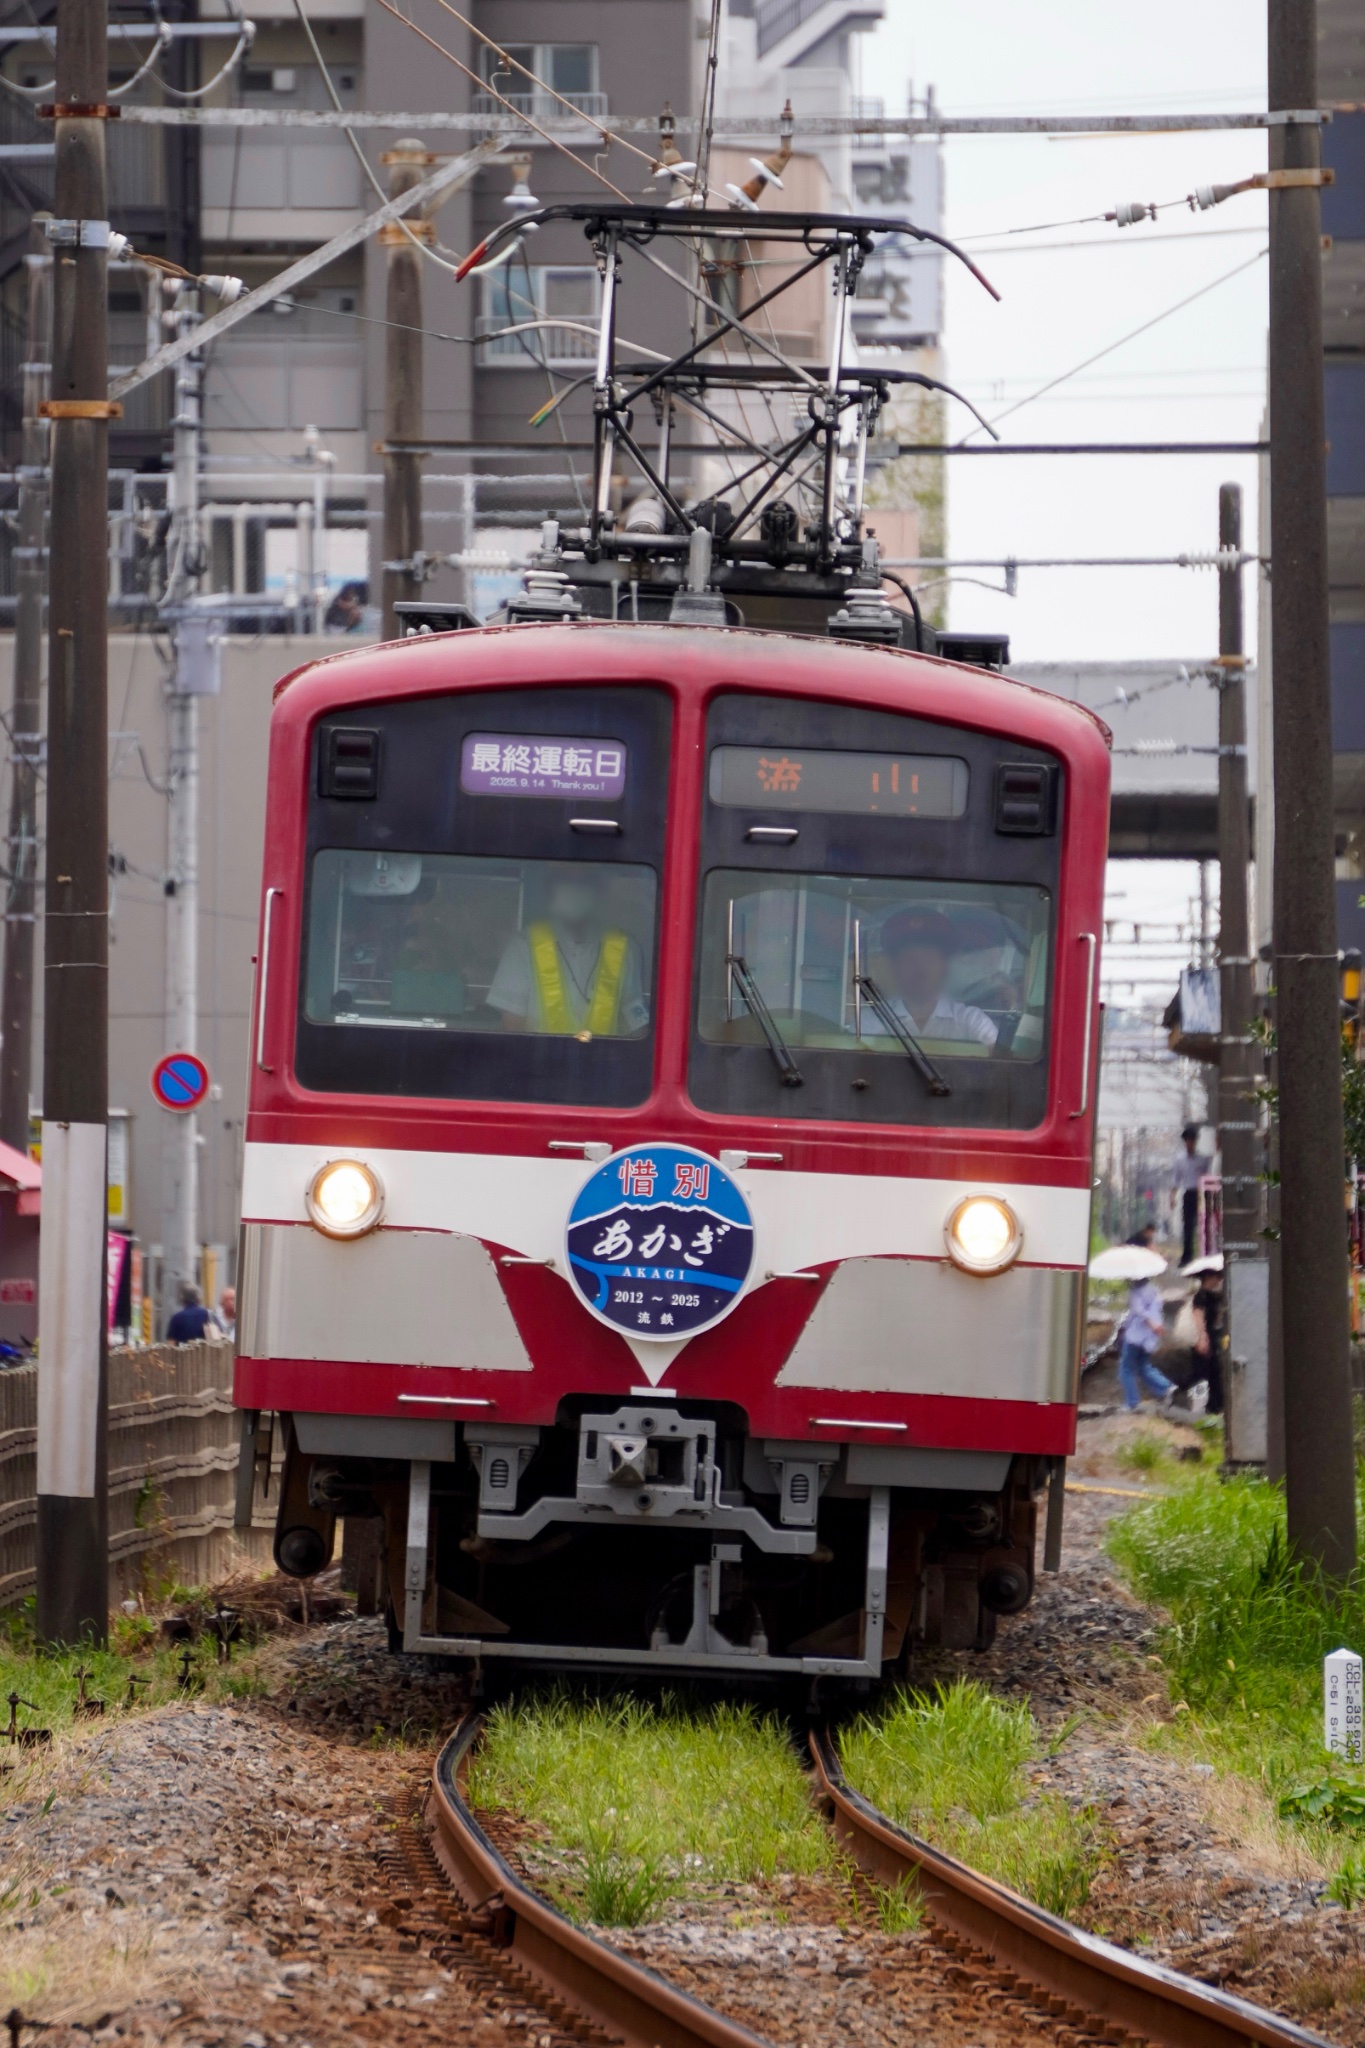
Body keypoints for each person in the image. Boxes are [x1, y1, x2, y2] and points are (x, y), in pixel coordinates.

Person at [488, 869, 649, 1037]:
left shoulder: (625, 948)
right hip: (540, 1060)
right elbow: (512, 1027)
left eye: (583, 886)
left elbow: (634, 1022)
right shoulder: (523, 945)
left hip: (605, 1061)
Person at [870, 908, 998, 1048]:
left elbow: (998, 1064)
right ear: (894, 967)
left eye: (929, 957)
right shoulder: (871, 1021)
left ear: (945, 966)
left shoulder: (973, 1021)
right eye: (909, 958)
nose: (920, 966)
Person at [1117, 1237, 1175, 1412]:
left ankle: (1132, 1402)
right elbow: (1156, 1310)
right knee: (1143, 1366)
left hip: (1135, 1336)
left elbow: (1140, 1313)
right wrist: (1157, 1326)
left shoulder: (1135, 1294)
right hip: (1148, 1338)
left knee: (1125, 1369)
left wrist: (1152, 1324)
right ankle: (1166, 1387)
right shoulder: (1154, 1290)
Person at [1172, 1123, 1210, 1268]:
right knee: (1187, 1226)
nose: (1190, 1143)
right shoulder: (1179, 1159)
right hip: (1188, 1194)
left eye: (1192, 1140)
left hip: (1201, 1194)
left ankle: (1205, 1254)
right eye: (1188, 1140)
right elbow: (1176, 1179)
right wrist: (1172, 1196)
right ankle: (1187, 1257)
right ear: (1185, 1142)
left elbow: (1207, 1176)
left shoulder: (1202, 1159)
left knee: (1203, 1225)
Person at [1190, 1266, 1226, 1417]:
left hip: (1214, 1336)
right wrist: (1202, 1337)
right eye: (1215, 1277)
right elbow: (1198, 1317)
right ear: (1207, 1278)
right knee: (1206, 1372)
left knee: (1215, 1372)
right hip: (1205, 1337)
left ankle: (1216, 1405)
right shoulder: (1201, 1296)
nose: (1218, 1280)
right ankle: (1206, 1406)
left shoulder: (1215, 1295)